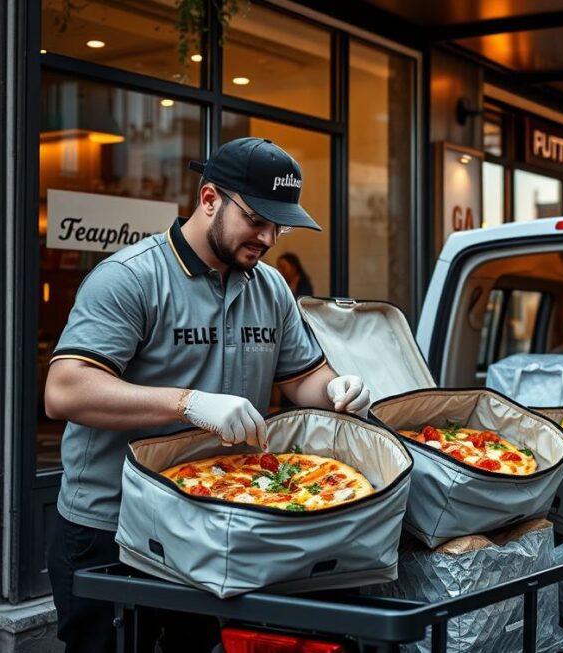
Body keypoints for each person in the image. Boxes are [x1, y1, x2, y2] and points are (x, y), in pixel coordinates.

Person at [43, 137, 372, 652]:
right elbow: (64, 391)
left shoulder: (271, 287)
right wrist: (188, 403)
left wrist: (336, 389)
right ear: (211, 198)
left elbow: (302, 378)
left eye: (278, 225)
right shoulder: (130, 278)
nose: (268, 237)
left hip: (212, 520)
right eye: (257, 219)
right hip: (111, 525)